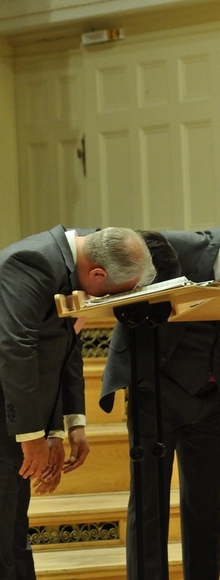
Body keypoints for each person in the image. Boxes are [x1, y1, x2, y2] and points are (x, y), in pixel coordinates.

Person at [99, 227, 220, 580]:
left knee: (206, 506)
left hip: (213, 401)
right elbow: (107, 247)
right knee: (149, 506)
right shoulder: (174, 249)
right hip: (156, 393)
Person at [0, 225, 154, 580]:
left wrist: (63, 427)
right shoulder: (31, 262)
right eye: (112, 293)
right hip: (9, 414)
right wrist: (32, 435)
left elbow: (60, 350)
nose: (106, 301)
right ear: (97, 274)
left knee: (14, 536)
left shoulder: (81, 256)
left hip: (22, 413)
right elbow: (15, 348)